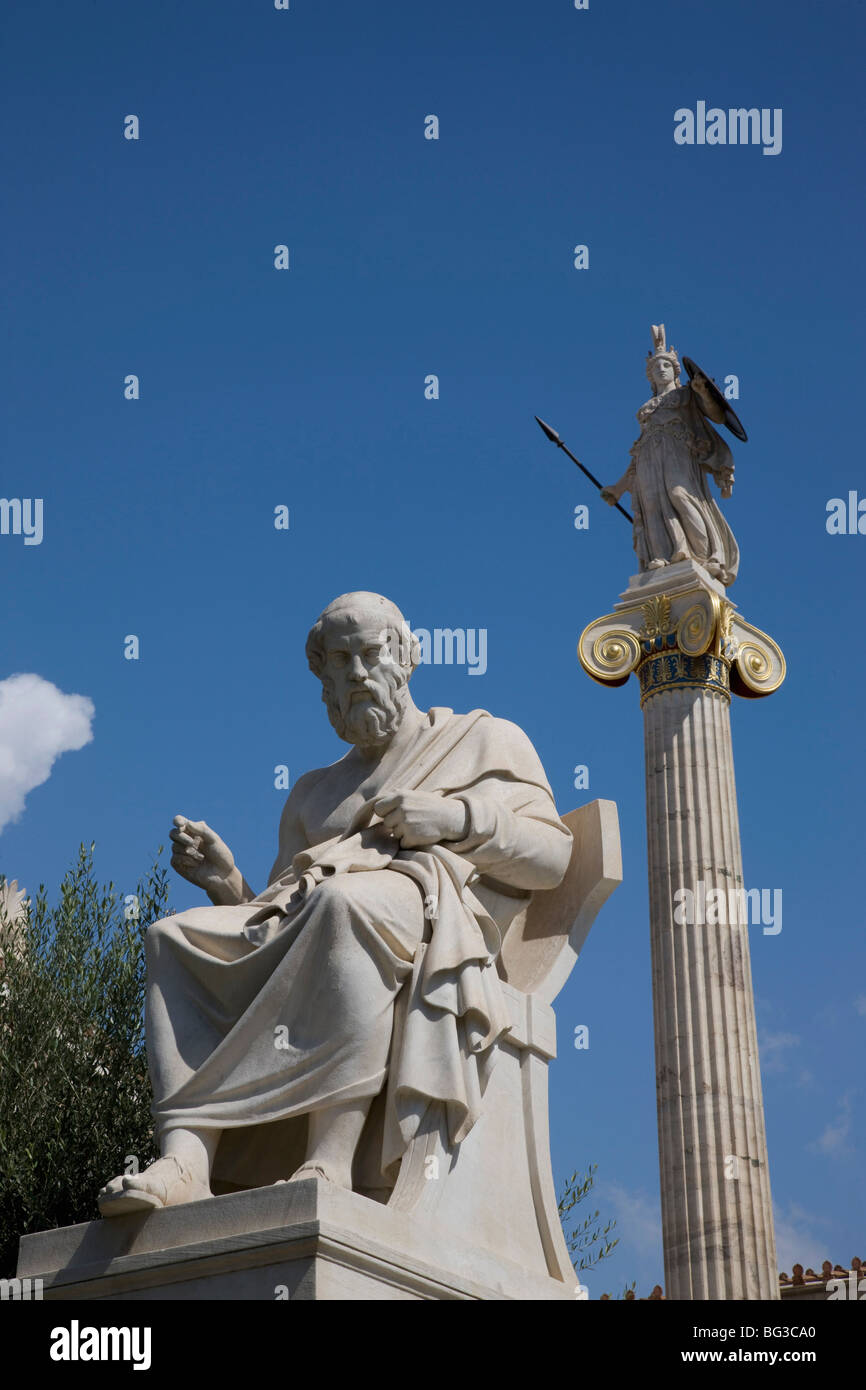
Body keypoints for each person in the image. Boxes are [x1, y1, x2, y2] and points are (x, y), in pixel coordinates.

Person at [98, 591, 572, 1215]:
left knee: (341, 905)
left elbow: (551, 856)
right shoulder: (313, 794)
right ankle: (187, 1158)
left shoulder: (482, 740)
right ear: (322, 679)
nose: (356, 673)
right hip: (326, 914)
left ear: (408, 656)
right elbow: (271, 932)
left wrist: (452, 817)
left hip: (427, 915)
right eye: (339, 661)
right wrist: (226, 882)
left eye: (372, 653)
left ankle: (330, 1156)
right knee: (171, 936)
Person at [601, 325, 739, 585]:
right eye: (655, 368)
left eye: (665, 366)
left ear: (675, 370)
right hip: (648, 457)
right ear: (650, 377)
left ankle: (706, 555)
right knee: (651, 502)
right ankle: (665, 555)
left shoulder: (685, 394)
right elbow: (637, 450)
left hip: (678, 451)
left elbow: (717, 415)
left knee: (679, 495)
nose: (660, 370)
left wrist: (703, 393)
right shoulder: (646, 410)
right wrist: (618, 489)